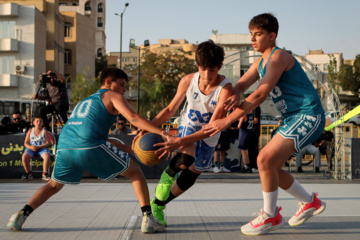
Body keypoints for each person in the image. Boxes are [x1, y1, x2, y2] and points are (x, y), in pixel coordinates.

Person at [202, 13, 326, 235]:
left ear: (272, 36)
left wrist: (226, 120)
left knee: (263, 158)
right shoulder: (260, 62)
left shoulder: (279, 57)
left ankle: (270, 216)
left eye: (258, 34)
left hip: (308, 115)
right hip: (292, 118)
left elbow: (260, 94)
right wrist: (237, 92)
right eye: (251, 34)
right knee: (270, 167)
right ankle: (309, 202)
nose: (253, 39)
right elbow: (242, 83)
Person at [7, 67, 167, 233]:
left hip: (65, 145)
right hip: (88, 145)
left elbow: (103, 139)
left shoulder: (86, 101)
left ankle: (20, 215)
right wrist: (161, 132)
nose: (124, 89)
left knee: (53, 185)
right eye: (121, 84)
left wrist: (130, 149)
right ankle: (148, 219)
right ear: (108, 82)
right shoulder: (112, 96)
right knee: (135, 172)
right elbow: (133, 118)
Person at [140, 40, 232, 227]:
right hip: (188, 125)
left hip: (209, 135)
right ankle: (168, 176)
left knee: (193, 173)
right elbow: (170, 109)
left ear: (220, 67)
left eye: (212, 70)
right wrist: (149, 125)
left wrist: (179, 140)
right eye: (203, 69)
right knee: (186, 155)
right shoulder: (188, 80)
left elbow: (211, 128)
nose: (207, 75)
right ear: (197, 65)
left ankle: (158, 205)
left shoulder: (226, 89)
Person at [21, 116, 52, 181]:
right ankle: (28, 173)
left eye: (40, 121)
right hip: (32, 148)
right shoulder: (30, 131)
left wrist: (39, 147)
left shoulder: (45, 131)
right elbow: (26, 143)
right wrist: (31, 147)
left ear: (42, 123)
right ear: (34, 122)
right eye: (37, 121)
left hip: (42, 147)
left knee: (47, 156)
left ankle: (44, 174)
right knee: (24, 156)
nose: (39, 123)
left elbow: (47, 143)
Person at [248, 105, 261, 170]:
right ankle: (251, 164)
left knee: (254, 149)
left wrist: (247, 122)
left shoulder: (255, 107)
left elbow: (255, 120)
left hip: (254, 131)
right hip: (251, 131)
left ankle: (254, 165)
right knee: (250, 149)